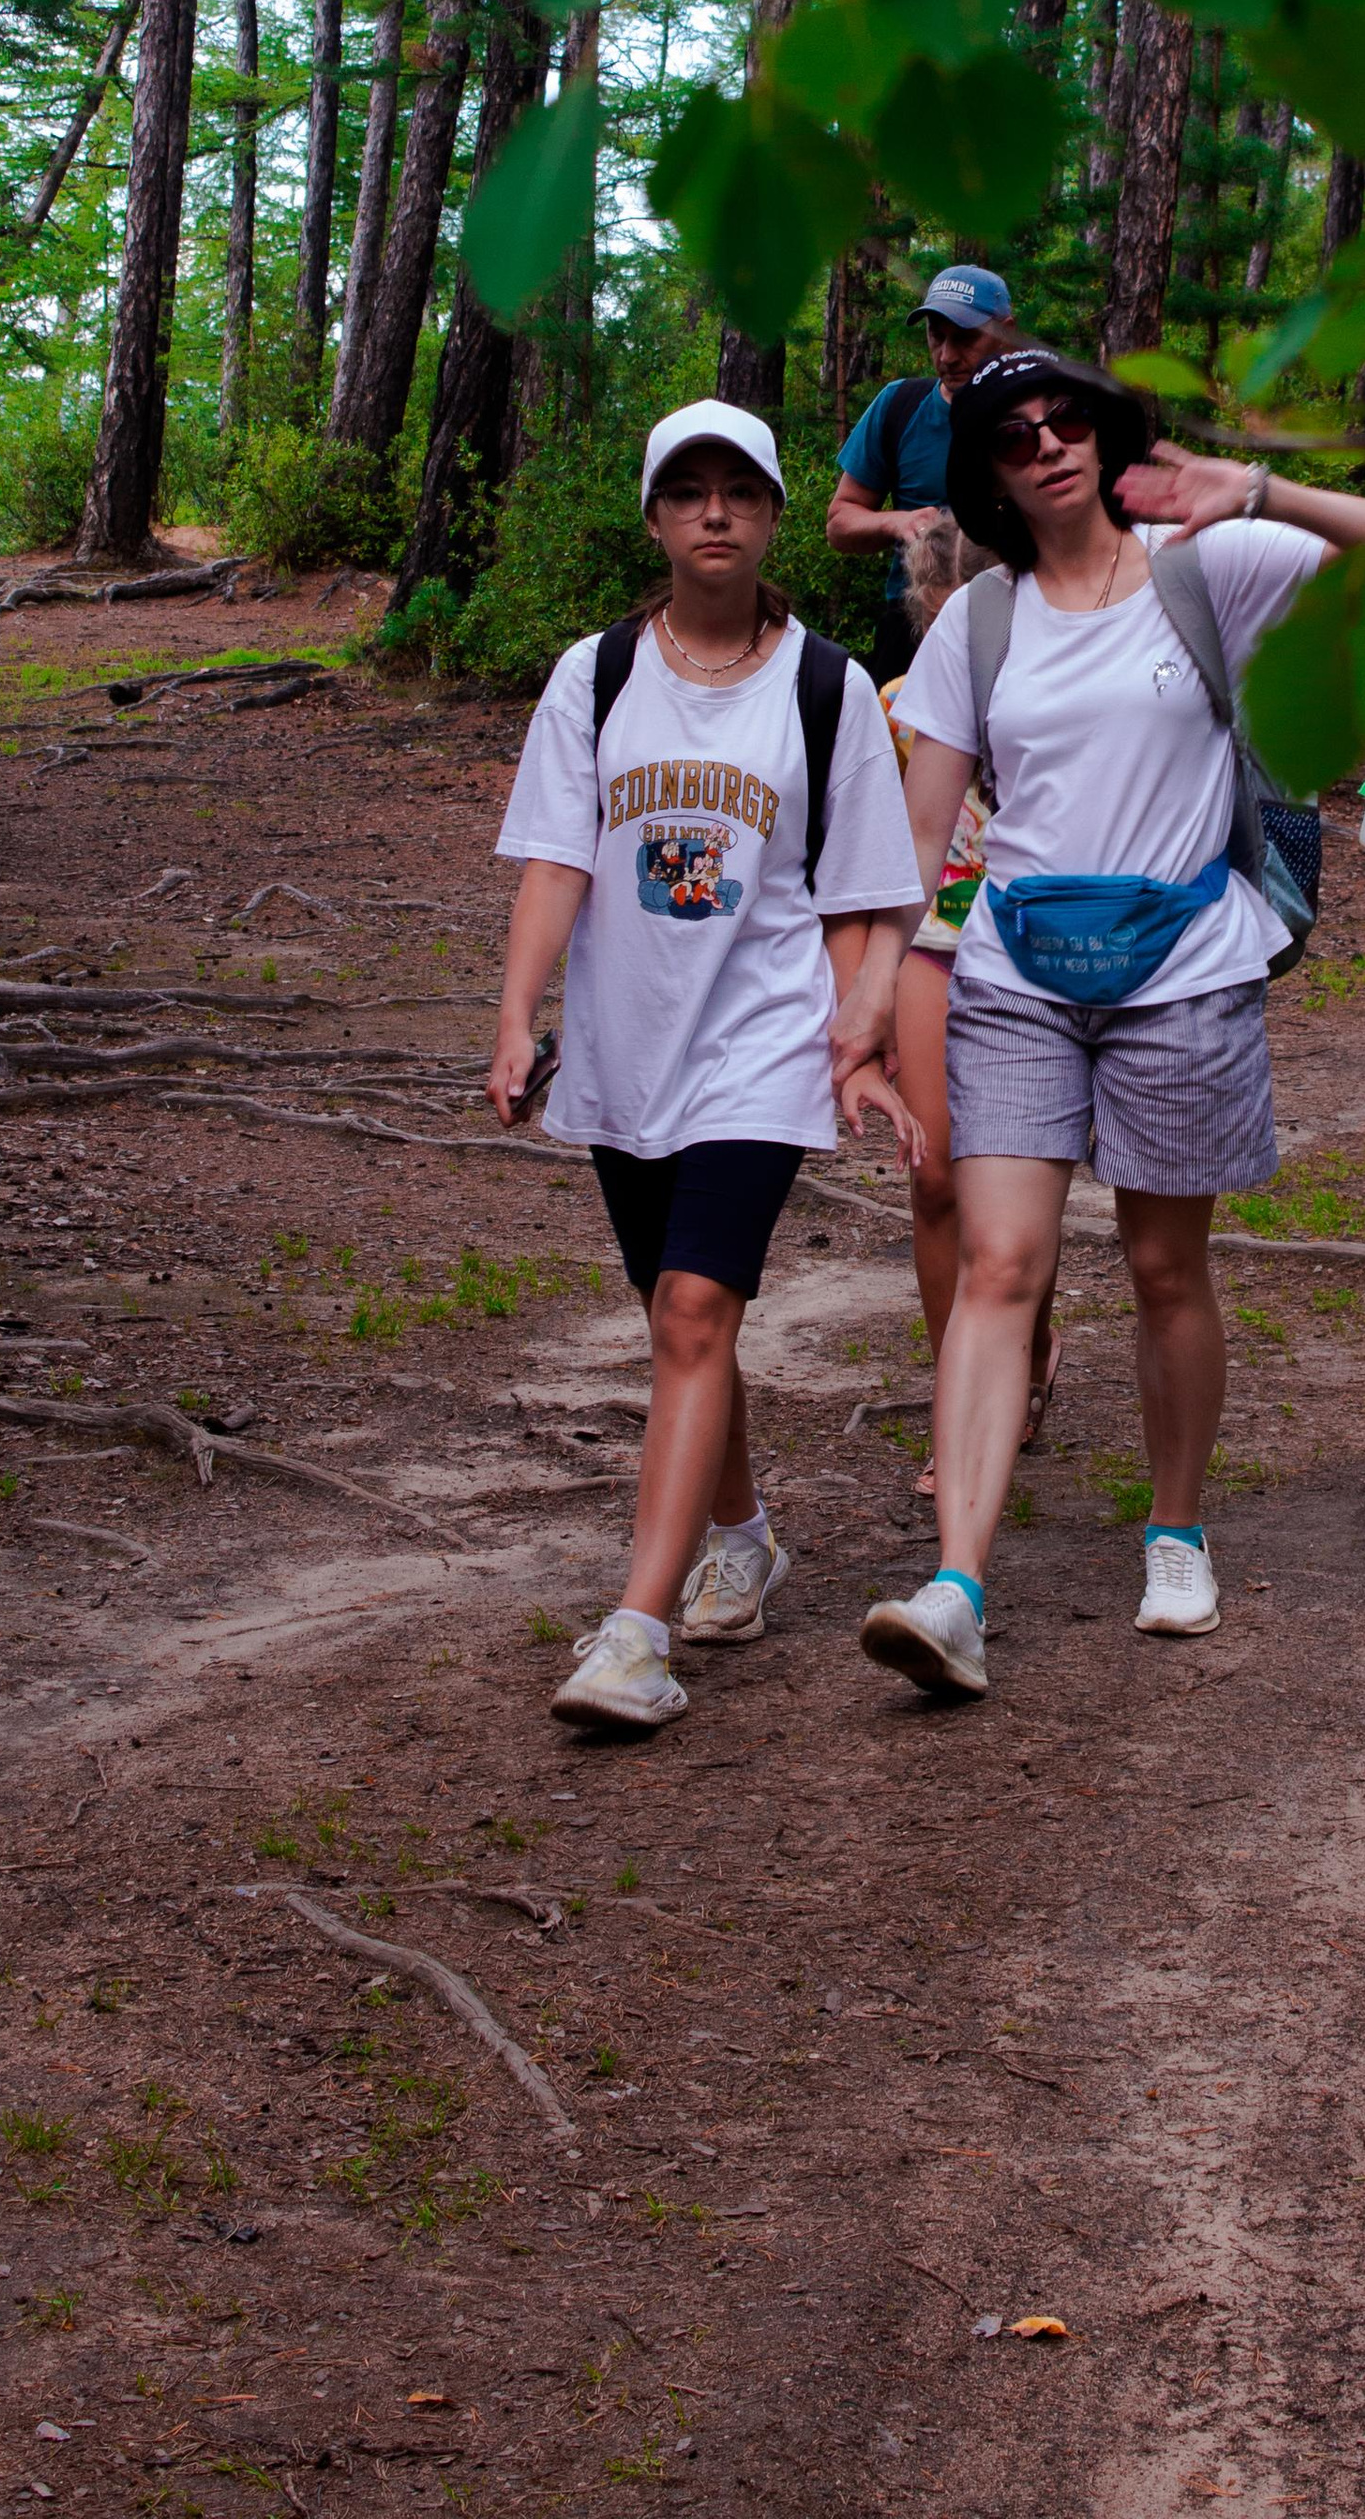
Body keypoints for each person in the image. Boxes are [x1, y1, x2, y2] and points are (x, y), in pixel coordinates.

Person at [859, 349, 1365, 1702]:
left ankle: (1175, 1532)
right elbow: (921, 835)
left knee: (1163, 1270)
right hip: (1015, 975)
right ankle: (957, 1587)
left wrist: (1260, 489)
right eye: (1015, 435)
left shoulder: (1209, 568)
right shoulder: (977, 625)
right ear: (990, 475)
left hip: (1183, 966)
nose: (1048, 444)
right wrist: (870, 1004)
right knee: (1000, 1267)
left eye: (1069, 422)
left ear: (1110, 437)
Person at [485, 398, 925, 1734]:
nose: (716, 511)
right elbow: (557, 854)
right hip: (625, 1044)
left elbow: (861, 889)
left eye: (741, 490)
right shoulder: (598, 674)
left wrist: (859, 1034)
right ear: (657, 517)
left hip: (761, 1043)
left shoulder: (828, 685)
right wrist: (518, 1018)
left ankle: (634, 1636)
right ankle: (740, 1528)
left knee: (690, 1315)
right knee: (685, 1320)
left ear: (776, 514)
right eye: (689, 491)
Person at [881, 514, 1058, 1501]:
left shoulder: (1059, 691)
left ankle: (1027, 1348)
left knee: (1019, 1178)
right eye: (941, 625)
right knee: (936, 1178)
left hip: (1038, 947)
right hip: (934, 944)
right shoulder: (894, 703)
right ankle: (960, 1404)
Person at [829, 263, 1019, 689]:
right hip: (914, 623)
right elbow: (840, 524)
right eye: (936, 335)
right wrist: (897, 522)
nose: (947, 356)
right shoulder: (899, 406)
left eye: (965, 338)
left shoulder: (1040, 419)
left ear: (1007, 332)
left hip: (1020, 617)